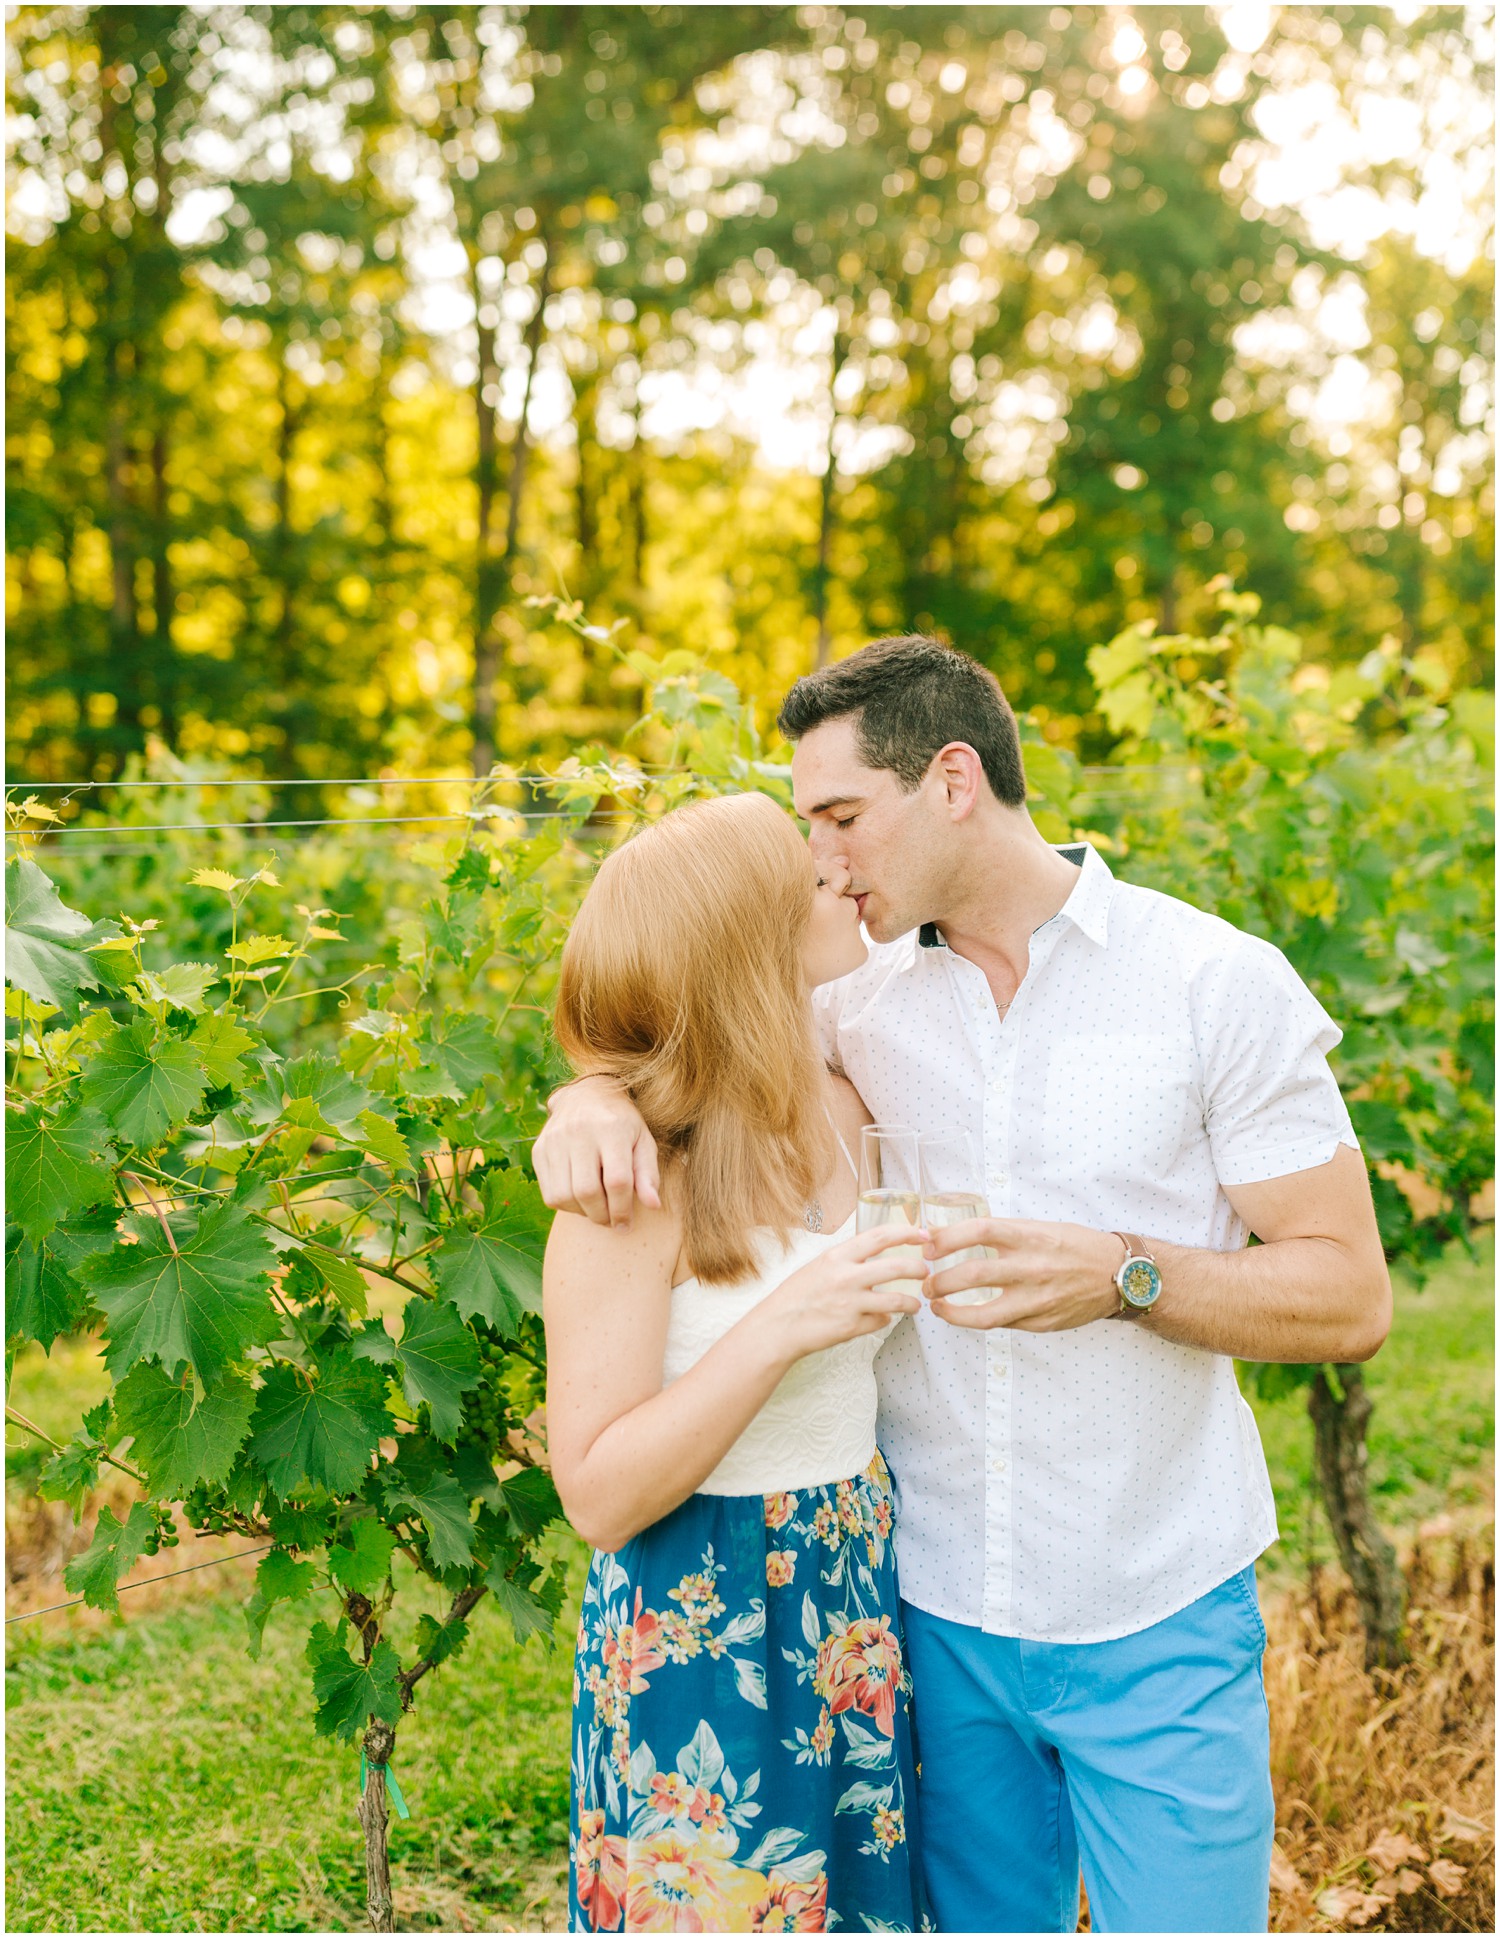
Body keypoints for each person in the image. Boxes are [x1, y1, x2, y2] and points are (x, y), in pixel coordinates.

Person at [535, 634, 1393, 1935]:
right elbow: (685, 1021)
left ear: (949, 780)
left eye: (839, 816)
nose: (821, 859)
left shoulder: (1212, 986)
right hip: (924, 1622)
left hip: (1151, 1607)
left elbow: (1352, 1299)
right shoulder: (849, 997)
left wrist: (1129, 1275)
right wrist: (585, 1096)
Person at [544, 789, 929, 1934]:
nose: (840, 880)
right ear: (746, 947)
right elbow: (598, 1495)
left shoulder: (850, 1098)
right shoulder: (629, 1187)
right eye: (810, 882)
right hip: (704, 1614)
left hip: (851, 1591)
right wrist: (779, 1327)